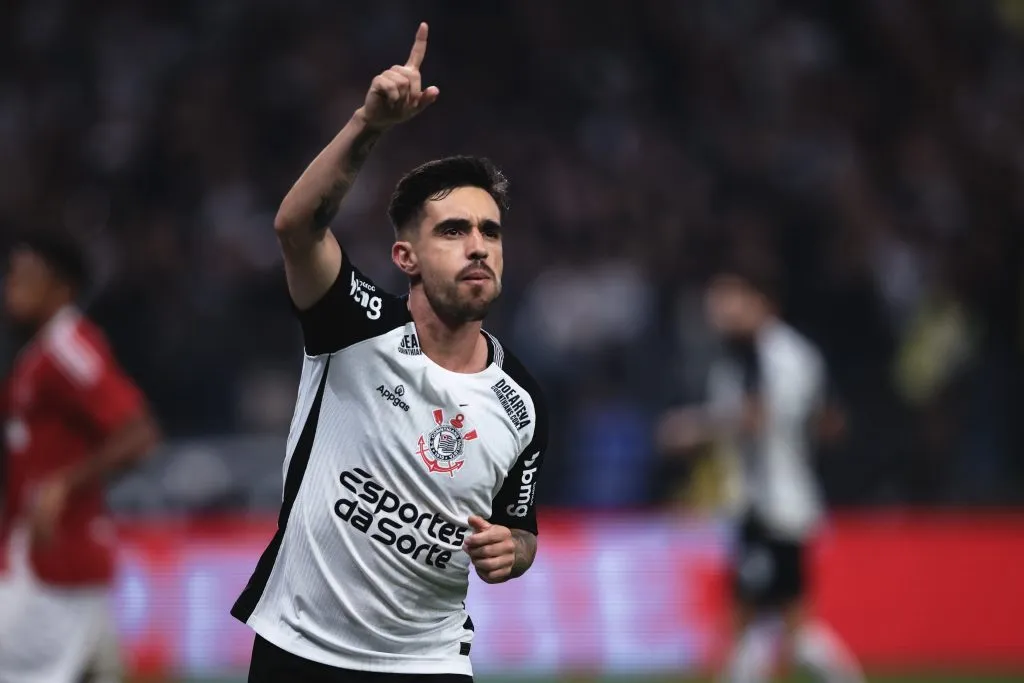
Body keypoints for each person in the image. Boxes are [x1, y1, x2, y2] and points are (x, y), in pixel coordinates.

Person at [231, 22, 548, 683]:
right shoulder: (353, 323)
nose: (479, 246)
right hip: (301, 648)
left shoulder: (521, 401)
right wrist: (368, 124)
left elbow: (522, 528)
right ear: (405, 255)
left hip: (427, 663)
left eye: (490, 231)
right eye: (454, 230)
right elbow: (295, 226)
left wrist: (509, 551)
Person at [657, 262, 864, 683]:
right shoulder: (751, 356)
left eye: (728, 299)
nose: (718, 310)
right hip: (760, 503)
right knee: (782, 624)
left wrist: (693, 428)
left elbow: (756, 417)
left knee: (755, 621)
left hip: (775, 508)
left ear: (759, 302)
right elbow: (830, 419)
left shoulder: (775, 355)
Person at [0, 233, 160, 683]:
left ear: (61, 287)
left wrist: (63, 484)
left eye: (25, 276)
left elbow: (139, 433)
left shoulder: (68, 347)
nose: (12, 287)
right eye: (11, 275)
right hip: (53, 558)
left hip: (53, 561)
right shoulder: (37, 354)